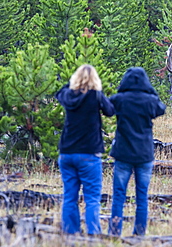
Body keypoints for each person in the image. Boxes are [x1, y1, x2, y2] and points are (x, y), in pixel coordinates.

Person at [56, 64, 114, 235]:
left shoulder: (68, 95)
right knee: (92, 199)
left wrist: (71, 84)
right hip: (89, 153)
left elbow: (59, 93)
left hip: (67, 153)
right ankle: (93, 234)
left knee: (69, 197)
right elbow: (110, 111)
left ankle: (70, 233)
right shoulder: (96, 96)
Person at [108, 67, 166, 236]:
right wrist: (150, 90)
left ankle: (114, 232)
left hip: (123, 153)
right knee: (142, 196)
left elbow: (109, 107)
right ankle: (139, 234)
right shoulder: (149, 101)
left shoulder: (119, 99)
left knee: (118, 195)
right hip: (144, 154)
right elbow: (161, 108)